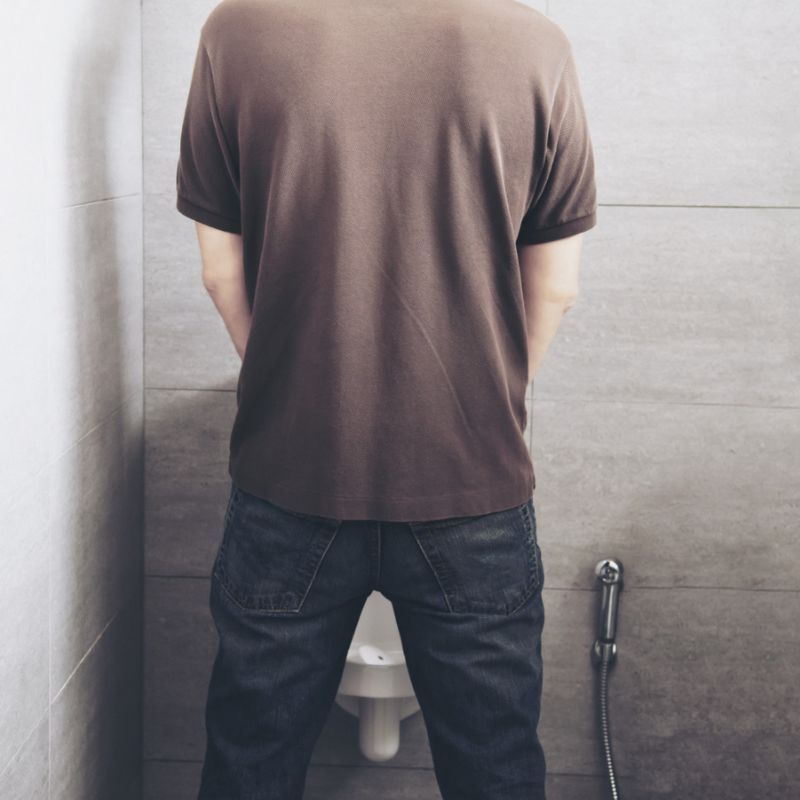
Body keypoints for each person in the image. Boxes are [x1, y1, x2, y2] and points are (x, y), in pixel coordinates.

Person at [176, 1, 597, 798]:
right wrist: (480, 403)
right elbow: (559, 289)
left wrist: (290, 386)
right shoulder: (536, 42)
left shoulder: (235, 30)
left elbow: (220, 272)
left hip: (288, 475)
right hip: (473, 487)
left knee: (249, 767)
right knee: (496, 769)